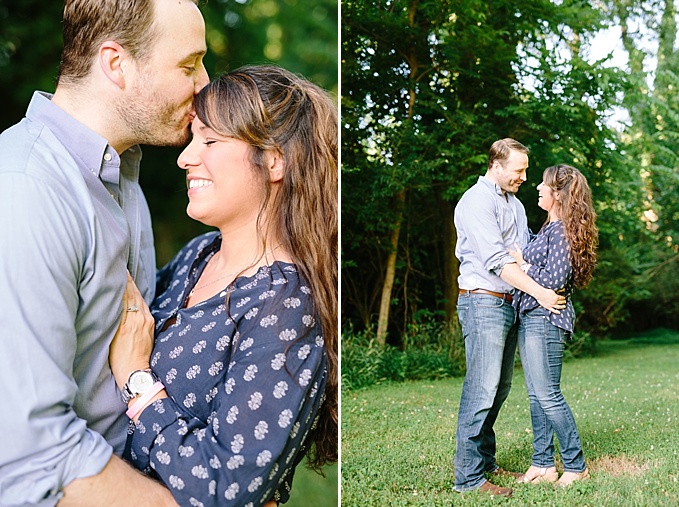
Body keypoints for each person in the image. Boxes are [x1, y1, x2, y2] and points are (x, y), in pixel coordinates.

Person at [0, 0, 209, 505]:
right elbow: (33, 457)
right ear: (116, 64)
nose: (205, 84)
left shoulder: (119, 176)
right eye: (188, 65)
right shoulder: (27, 191)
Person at [108, 65, 338, 506]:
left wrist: (137, 381)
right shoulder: (199, 254)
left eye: (210, 141)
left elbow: (228, 488)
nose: (186, 157)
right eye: (194, 138)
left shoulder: (286, 305)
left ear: (275, 159)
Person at [453, 138, 567, 497]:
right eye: (518, 170)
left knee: (499, 389)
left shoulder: (515, 205)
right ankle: (468, 478)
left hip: (509, 304)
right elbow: (500, 263)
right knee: (481, 388)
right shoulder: (476, 202)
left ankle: (485, 463)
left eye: (526, 170)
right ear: (496, 166)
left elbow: (524, 253)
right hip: (483, 301)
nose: (523, 177)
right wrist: (542, 293)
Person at [508, 164, 597, 487]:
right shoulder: (549, 229)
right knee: (537, 396)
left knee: (548, 395)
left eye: (544, 185)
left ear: (558, 194)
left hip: (547, 319)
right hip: (533, 316)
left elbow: (553, 281)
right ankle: (543, 464)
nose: (538, 189)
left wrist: (522, 264)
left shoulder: (560, 232)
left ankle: (576, 465)